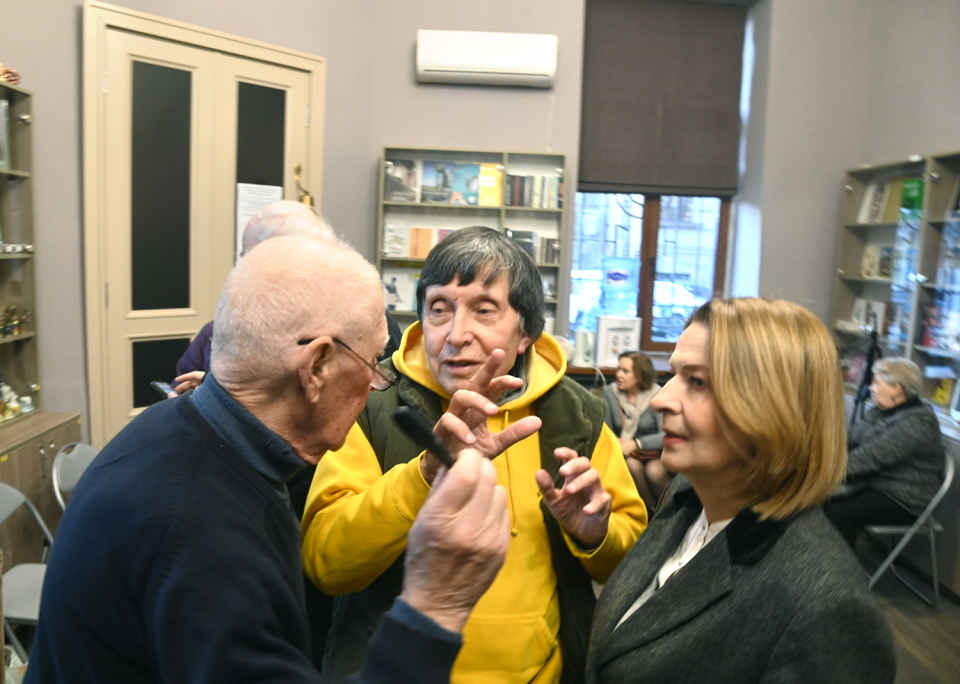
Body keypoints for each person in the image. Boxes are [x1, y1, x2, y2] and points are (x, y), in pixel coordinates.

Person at [26, 235, 516, 684]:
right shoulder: (204, 531)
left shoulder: (175, 431)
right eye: (372, 364)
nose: (373, 385)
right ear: (317, 366)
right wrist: (436, 606)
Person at [302, 226, 647, 683]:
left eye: (484, 311)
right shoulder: (371, 402)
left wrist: (594, 536)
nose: (456, 334)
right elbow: (326, 563)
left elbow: (629, 560)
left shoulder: (576, 414)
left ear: (525, 332)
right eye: (439, 310)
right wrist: (423, 475)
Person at [585, 298, 895, 683]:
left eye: (697, 382)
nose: (662, 399)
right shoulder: (688, 498)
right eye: (674, 375)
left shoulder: (828, 608)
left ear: (775, 409)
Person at [172, 200, 402, 395]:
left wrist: (219, 394)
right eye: (247, 258)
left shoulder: (370, 325)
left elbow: (376, 405)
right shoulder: (221, 329)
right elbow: (180, 389)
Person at [824, 356, 945, 547]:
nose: (871, 388)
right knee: (822, 502)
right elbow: (850, 440)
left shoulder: (919, 422)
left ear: (897, 389)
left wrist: (822, 472)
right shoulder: (880, 411)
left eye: (876, 383)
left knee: (838, 512)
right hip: (876, 484)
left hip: (904, 498)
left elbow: (870, 458)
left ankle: (838, 564)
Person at [602, 351, 669, 510]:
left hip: (653, 451)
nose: (618, 375)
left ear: (640, 375)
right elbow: (606, 429)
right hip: (625, 452)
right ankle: (648, 511)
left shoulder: (658, 395)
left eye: (625, 371)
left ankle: (668, 510)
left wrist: (637, 443)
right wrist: (618, 442)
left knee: (655, 472)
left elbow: (665, 434)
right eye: (618, 369)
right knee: (632, 466)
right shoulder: (610, 392)